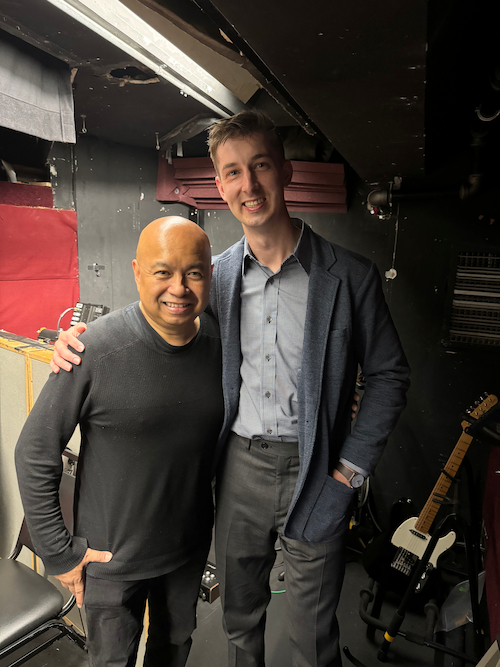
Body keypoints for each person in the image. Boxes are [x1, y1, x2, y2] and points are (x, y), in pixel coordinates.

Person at [52, 111, 410, 667]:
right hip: (238, 467)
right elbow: (158, 315)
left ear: (285, 171)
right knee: (241, 622)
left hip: (317, 469)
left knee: (313, 636)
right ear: (218, 185)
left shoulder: (350, 277)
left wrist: (349, 471)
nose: (249, 185)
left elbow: (390, 375)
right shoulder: (212, 278)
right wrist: (80, 339)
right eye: (233, 172)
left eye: (261, 166)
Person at [16, 217, 224, 667]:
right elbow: (35, 450)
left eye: (193, 272)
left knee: (173, 653)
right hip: (110, 563)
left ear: (210, 275)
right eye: (162, 272)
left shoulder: (222, 345)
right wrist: (59, 553)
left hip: (186, 554)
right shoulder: (94, 349)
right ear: (136, 272)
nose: (179, 287)